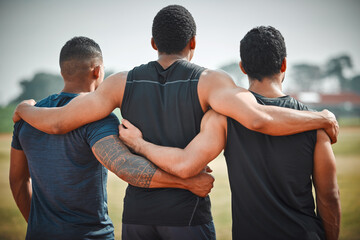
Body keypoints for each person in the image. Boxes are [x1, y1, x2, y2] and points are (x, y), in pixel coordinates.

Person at [13, 5, 339, 240]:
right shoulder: (211, 81)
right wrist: (321, 116)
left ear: (153, 42)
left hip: (136, 217)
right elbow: (258, 117)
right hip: (188, 217)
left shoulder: (118, 83)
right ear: (193, 43)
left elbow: (58, 123)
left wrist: (24, 111)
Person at [119, 26, 341, 240]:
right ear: (284, 65)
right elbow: (329, 197)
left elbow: (184, 165)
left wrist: (140, 144)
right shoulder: (316, 124)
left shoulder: (223, 118)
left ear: (242, 67)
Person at [9, 36, 214, 240]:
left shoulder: (28, 117)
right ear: (97, 71)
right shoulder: (96, 118)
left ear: (63, 71)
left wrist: (41, 228)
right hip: (90, 235)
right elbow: (125, 166)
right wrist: (187, 183)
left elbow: (18, 181)